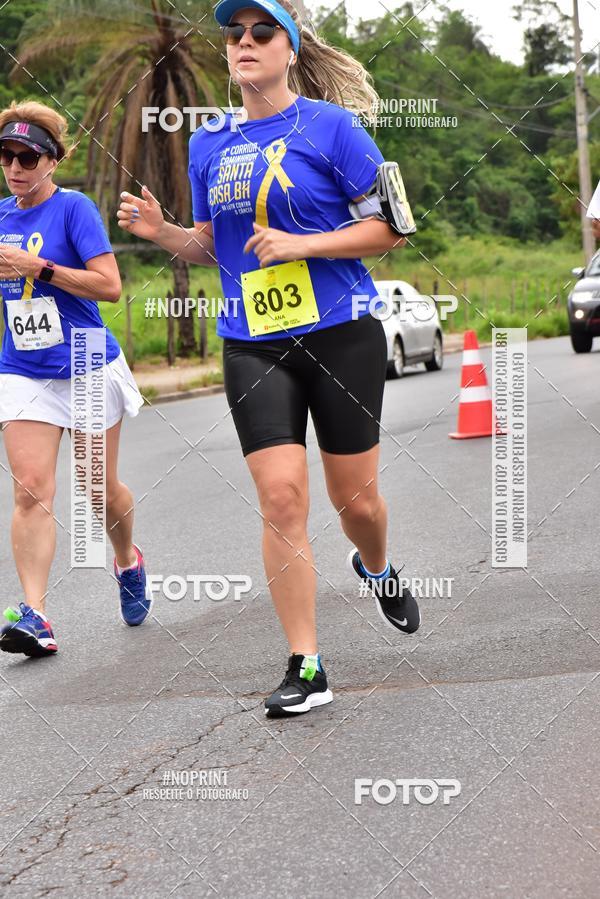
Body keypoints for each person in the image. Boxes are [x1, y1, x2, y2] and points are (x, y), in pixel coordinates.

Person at [117, 0, 420, 717]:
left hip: (342, 331)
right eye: (234, 34)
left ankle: (375, 566)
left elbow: (393, 228)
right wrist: (164, 233)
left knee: (358, 502)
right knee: (281, 496)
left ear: (290, 48)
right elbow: (212, 246)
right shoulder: (208, 143)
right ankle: (306, 662)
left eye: (261, 32)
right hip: (253, 341)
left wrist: (303, 245)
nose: (244, 42)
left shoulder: (334, 128)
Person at [0, 100, 152, 659]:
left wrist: (37, 267)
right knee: (30, 489)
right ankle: (35, 615)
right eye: (6, 155)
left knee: (96, 490)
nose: (15, 166)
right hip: (22, 368)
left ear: (52, 160)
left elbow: (109, 287)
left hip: (86, 360)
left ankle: (129, 559)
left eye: (27, 156)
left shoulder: (75, 209)